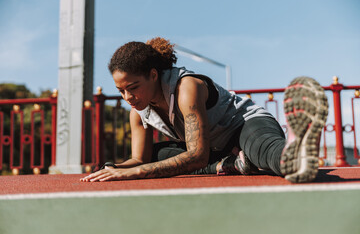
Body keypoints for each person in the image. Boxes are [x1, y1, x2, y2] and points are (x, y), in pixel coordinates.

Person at [80, 37, 328, 183]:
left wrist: (132, 174)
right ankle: (231, 163)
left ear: (153, 75)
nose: (127, 97)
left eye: (132, 88)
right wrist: (115, 169)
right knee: (156, 156)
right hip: (216, 148)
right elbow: (140, 160)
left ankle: (293, 154)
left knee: (264, 150)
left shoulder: (186, 87)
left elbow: (197, 156)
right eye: (121, 90)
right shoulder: (139, 111)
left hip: (244, 126)